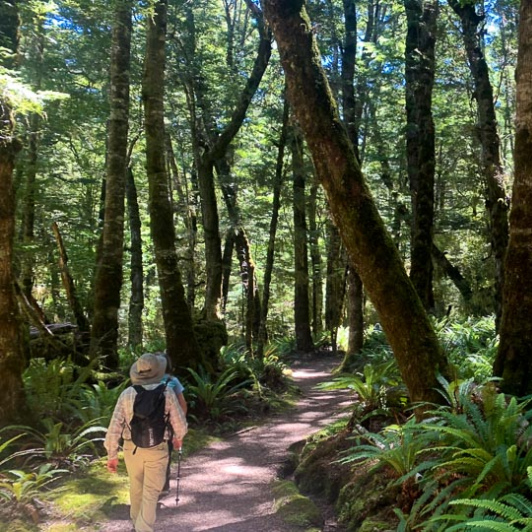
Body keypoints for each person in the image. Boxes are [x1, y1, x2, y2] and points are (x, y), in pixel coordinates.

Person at [105, 353, 187, 532]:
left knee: (136, 489)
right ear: (158, 371)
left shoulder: (126, 394)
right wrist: (177, 438)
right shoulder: (167, 392)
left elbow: (113, 428)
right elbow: (180, 425)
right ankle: (142, 529)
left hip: (131, 450)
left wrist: (112, 456)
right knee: (150, 494)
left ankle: (137, 527)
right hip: (157, 449)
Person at [157, 351, 187, 493]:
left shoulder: (144, 381)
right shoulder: (173, 381)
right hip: (167, 427)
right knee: (165, 455)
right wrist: (178, 430)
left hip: (144, 427)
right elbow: (182, 405)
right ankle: (163, 486)